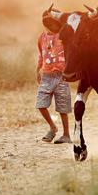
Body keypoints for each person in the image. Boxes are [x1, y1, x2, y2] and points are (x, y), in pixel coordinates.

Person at [35, 14, 72, 144]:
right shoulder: (42, 38)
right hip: (47, 75)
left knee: (63, 108)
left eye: (54, 24)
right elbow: (41, 55)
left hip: (61, 76)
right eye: (49, 24)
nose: (52, 26)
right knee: (40, 104)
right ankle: (52, 127)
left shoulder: (63, 36)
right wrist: (38, 70)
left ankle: (66, 134)